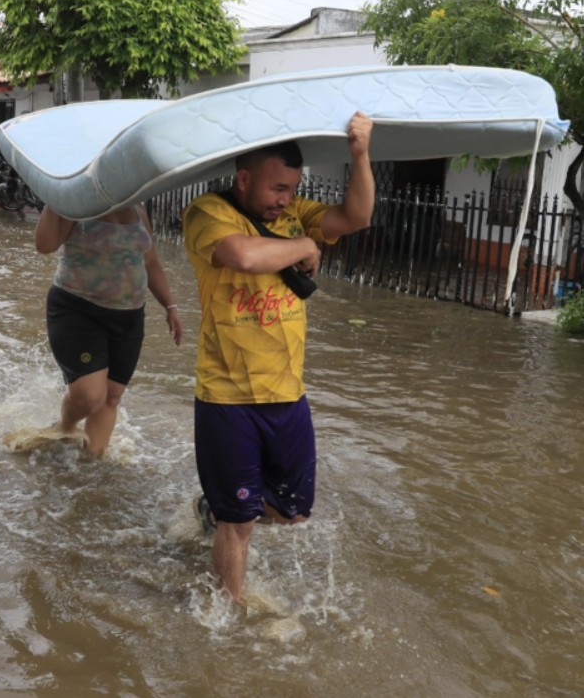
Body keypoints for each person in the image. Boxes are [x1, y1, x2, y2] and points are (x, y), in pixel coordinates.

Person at [182, 111, 375, 604]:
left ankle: (218, 508)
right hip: (227, 396)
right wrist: (305, 245)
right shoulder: (206, 212)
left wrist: (360, 154)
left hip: (287, 393)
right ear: (244, 179)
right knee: (240, 521)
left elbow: (357, 217)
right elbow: (243, 256)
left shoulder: (294, 214)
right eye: (276, 189)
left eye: (291, 189)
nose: (285, 200)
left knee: (293, 513)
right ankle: (230, 612)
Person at [35, 203, 184, 456]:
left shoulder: (138, 209)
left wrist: (170, 305)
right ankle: (65, 427)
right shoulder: (76, 203)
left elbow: (150, 261)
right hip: (78, 310)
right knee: (90, 396)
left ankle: (91, 465)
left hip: (129, 317)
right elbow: (44, 245)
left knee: (112, 396)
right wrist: (56, 197)